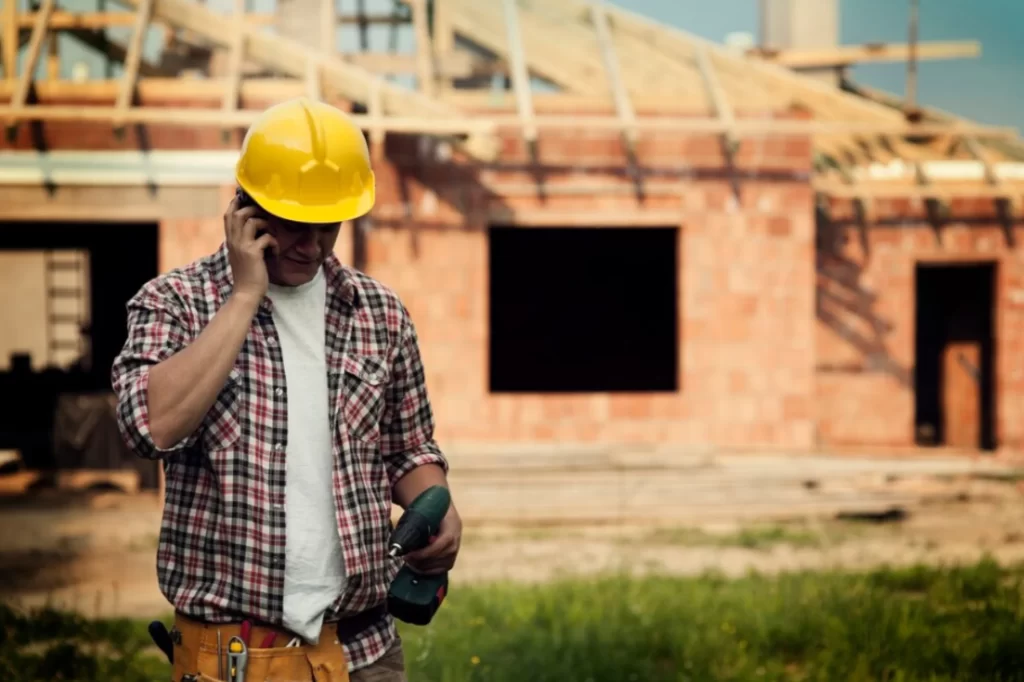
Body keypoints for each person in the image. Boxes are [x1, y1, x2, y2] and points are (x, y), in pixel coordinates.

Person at [111, 97, 461, 682]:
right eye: (296, 223)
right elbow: (150, 427)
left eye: (330, 226)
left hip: (364, 652)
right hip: (233, 660)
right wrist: (245, 295)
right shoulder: (174, 303)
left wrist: (439, 507)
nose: (314, 245)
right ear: (245, 207)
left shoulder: (378, 314)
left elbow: (409, 448)